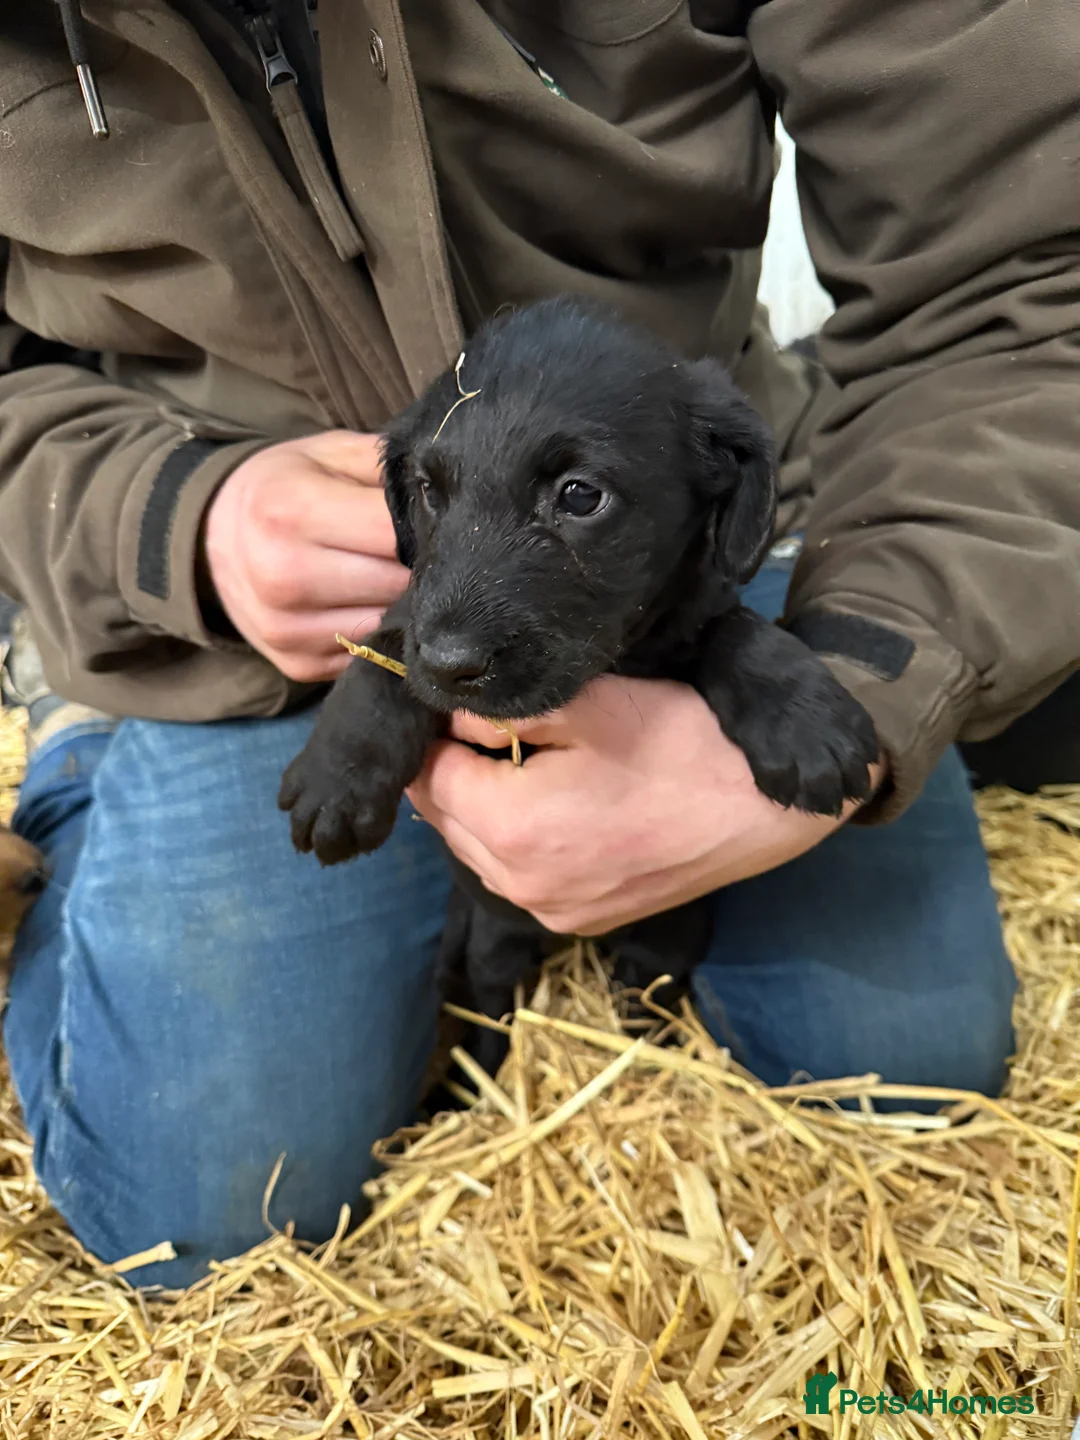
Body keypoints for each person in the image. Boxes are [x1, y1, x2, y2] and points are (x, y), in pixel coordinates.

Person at [0, 1, 1076, 1289]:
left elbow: (1025, 281)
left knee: (910, 1080)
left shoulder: (707, 473)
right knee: (201, 1216)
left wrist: (876, 659)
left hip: (676, 516)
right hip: (235, 587)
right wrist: (161, 518)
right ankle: (78, 721)